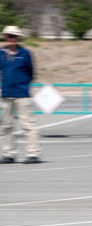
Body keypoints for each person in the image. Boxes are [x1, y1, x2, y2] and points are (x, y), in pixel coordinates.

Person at [0, 26, 40, 164]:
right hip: (6, 94)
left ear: (18, 38)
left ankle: (33, 154)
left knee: (28, 125)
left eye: (14, 36)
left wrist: (23, 85)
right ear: (5, 37)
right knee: (6, 126)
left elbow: (31, 73)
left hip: (22, 94)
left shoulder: (25, 53)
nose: (11, 38)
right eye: (9, 36)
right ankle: (8, 154)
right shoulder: (1, 53)